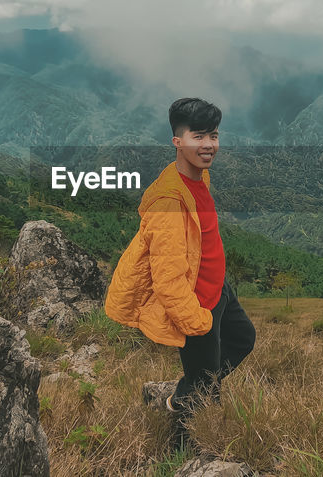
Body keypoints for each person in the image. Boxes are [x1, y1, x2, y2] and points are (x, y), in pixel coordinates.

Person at [104, 97, 256, 452]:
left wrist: (219, 288)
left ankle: (180, 396)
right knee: (203, 393)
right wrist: (197, 322)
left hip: (218, 290)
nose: (208, 145)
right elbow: (168, 280)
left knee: (242, 339)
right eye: (198, 136)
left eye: (214, 136)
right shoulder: (169, 201)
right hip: (195, 307)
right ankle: (181, 452)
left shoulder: (196, 178)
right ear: (177, 142)